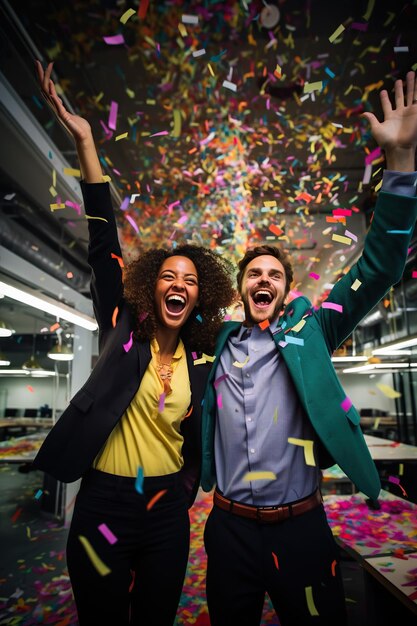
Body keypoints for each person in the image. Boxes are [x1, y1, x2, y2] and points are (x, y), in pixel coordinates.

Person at [200, 71, 417, 626]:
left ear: (286, 288)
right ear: (242, 288)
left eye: (273, 273)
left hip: (300, 529)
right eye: (253, 273)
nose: (262, 279)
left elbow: (379, 267)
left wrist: (399, 167)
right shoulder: (217, 346)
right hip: (227, 530)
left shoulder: (313, 333)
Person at [32, 61, 235, 626]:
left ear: (200, 298)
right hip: (103, 501)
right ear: (153, 285)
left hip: (167, 510)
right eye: (170, 275)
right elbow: (103, 243)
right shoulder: (122, 323)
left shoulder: (201, 360)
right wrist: (87, 145)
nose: (179, 285)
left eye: (191, 281)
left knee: (155, 616)